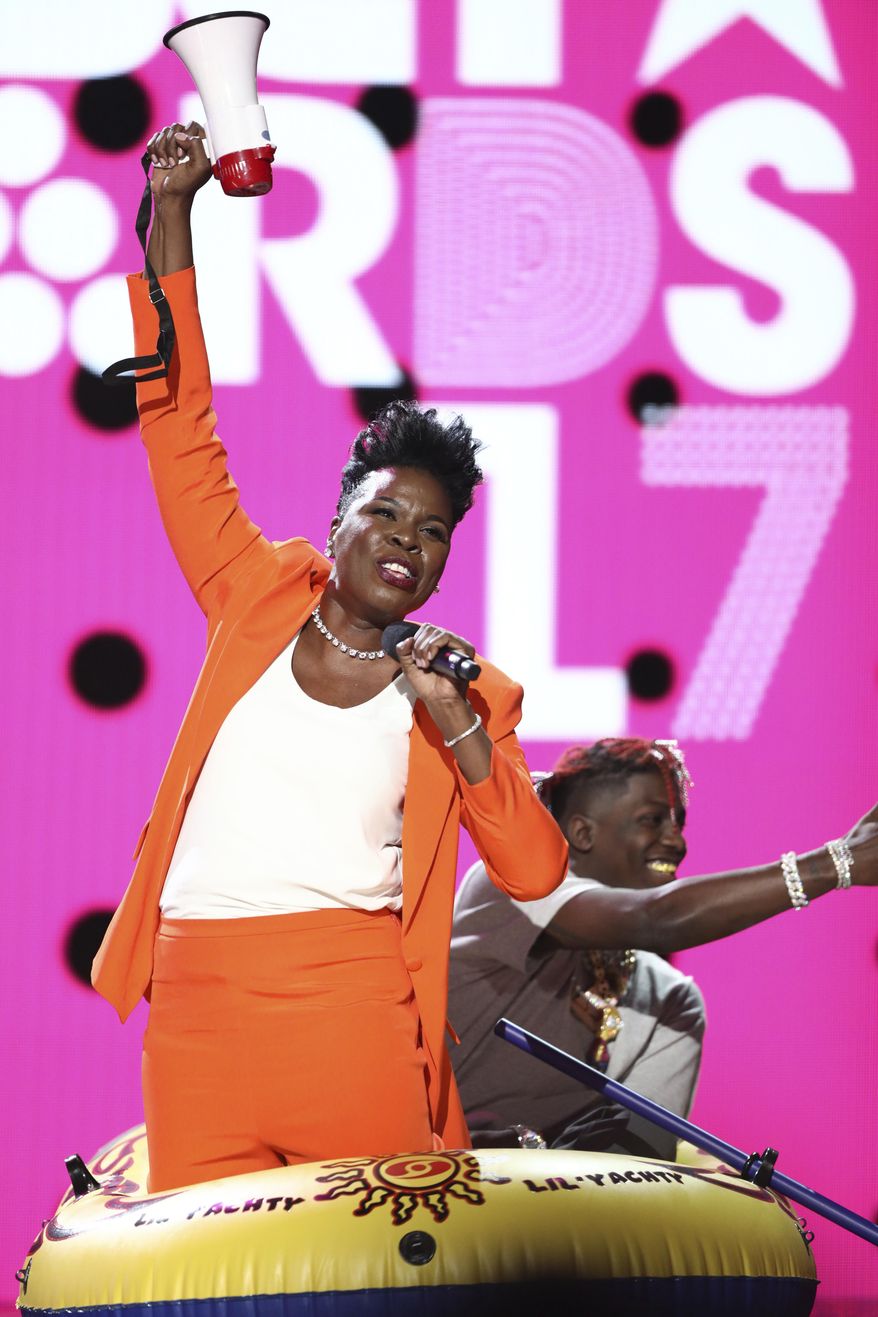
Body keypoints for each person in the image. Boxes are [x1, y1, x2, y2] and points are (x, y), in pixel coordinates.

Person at [91, 122, 567, 1193]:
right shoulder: (251, 595)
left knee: (376, 1285)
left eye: (432, 528)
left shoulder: (461, 690)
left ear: (444, 563)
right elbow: (180, 431)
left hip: (347, 1008)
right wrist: (173, 217)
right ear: (338, 521)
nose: (406, 536)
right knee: (208, 1294)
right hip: (196, 1003)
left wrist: (456, 728)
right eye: (384, 511)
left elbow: (534, 872)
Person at [448, 737, 878, 1160]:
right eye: (652, 821)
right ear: (582, 833)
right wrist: (835, 864)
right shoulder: (511, 887)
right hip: (407, 1178)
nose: (677, 841)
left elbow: (637, 1161)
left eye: (678, 823)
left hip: (546, 1215)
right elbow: (658, 919)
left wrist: (539, 1155)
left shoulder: (671, 1000)